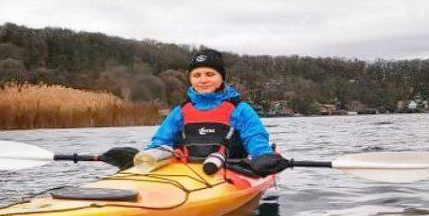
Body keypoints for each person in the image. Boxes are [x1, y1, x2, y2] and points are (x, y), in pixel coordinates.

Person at [102, 49, 290, 176]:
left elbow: (255, 138)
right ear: (190, 79)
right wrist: (143, 157)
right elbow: (160, 142)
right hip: (185, 173)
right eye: (197, 75)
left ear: (221, 78)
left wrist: (263, 156)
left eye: (210, 74)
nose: (203, 80)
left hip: (231, 171)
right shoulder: (180, 111)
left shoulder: (240, 109)